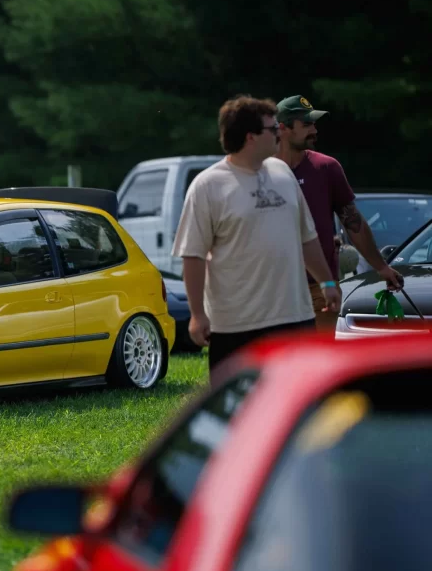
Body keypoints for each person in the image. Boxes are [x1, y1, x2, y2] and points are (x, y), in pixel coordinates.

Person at [172, 94, 342, 375]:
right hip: (236, 325)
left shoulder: (282, 172)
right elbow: (193, 256)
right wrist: (197, 314)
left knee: (297, 405)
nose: (279, 133)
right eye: (272, 129)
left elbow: (306, 237)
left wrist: (327, 282)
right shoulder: (208, 186)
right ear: (251, 136)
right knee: (239, 410)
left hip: (294, 317)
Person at [274, 94, 404, 331]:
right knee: (272, 363)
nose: (314, 130)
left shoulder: (326, 167)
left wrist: (381, 267)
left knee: (318, 363)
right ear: (282, 128)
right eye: (306, 124)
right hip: (271, 288)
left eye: (314, 123)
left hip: (320, 287)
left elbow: (352, 222)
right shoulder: (261, 170)